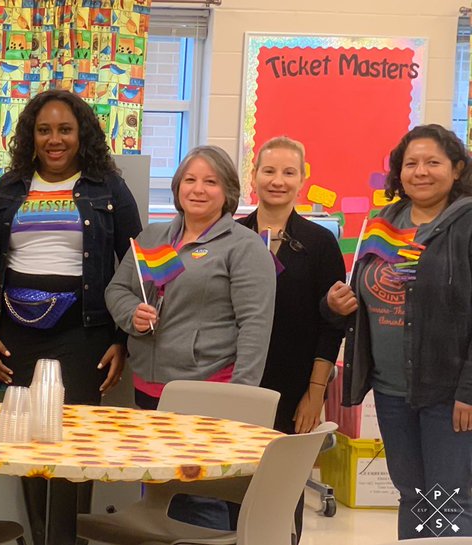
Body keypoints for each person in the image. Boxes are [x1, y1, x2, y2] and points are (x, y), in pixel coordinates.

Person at [0, 89, 141, 545]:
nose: (55, 140)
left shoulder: (107, 187)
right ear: (31, 136)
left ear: (82, 134)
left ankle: (68, 540)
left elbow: (135, 266)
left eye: (65, 129)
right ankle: (40, 538)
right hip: (17, 331)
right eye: (45, 130)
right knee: (27, 443)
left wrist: (121, 338)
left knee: (77, 444)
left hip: (85, 332)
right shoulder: (9, 188)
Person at [105, 145, 275, 530]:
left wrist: (242, 399)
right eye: (191, 180)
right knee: (158, 492)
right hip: (149, 388)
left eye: (211, 182)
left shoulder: (243, 247)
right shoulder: (152, 237)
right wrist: (133, 314)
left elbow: (255, 326)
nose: (199, 189)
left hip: (208, 393)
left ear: (228, 192)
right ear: (178, 186)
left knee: (198, 498)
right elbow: (117, 291)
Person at [325, 124, 472, 539]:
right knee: (413, 495)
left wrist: (469, 390)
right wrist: (335, 305)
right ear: (398, 172)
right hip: (391, 390)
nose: (420, 172)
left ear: (457, 169)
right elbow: (360, 296)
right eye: (411, 164)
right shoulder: (383, 223)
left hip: (449, 392)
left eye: (433, 163)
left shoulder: (466, 223)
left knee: (449, 499)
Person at [236, 136, 344, 540]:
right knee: (230, 486)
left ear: (302, 179)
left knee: (280, 494)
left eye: (288, 172)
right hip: (236, 381)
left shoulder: (319, 243)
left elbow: (332, 323)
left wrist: (314, 393)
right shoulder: (232, 235)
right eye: (269, 171)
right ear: (254, 177)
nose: (277, 180)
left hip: (293, 384)